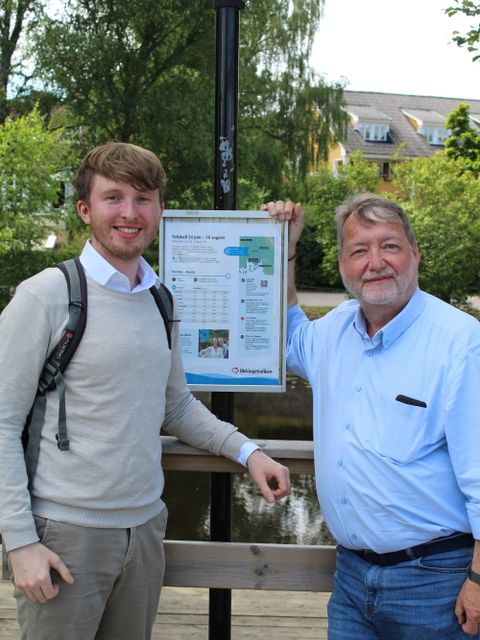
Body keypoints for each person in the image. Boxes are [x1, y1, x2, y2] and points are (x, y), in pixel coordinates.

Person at [0, 142, 290, 640]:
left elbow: (175, 404)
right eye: (114, 198)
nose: (130, 213)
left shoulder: (160, 298)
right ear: (85, 209)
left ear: (158, 209)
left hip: (146, 530)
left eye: (143, 198)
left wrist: (249, 452)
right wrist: (20, 541)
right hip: (65, 536)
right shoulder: (45, 296)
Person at [264, 193, 480, 639]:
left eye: (390, 246)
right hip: (350, 578)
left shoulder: (460, 342)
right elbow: (286, 338)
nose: (375, 262)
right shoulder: (333, 331)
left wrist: (478, 581)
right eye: (359, 250)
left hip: (436, 583)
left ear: (415, 253)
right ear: (343, 265)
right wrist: (285, 248)